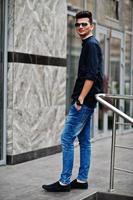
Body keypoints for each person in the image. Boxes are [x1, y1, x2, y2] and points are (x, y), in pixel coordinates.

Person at [42, 10, 103, 192]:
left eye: (84, 24)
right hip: (86, 102)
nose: (80, 27)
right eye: (77, 24)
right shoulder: (89, 44)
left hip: (83, 102)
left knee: (67, 138)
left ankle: (64, 182)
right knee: (84, 141)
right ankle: (82, 180)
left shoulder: (91, 45)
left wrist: (81, 98)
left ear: (92, 26)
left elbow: (91, 76)